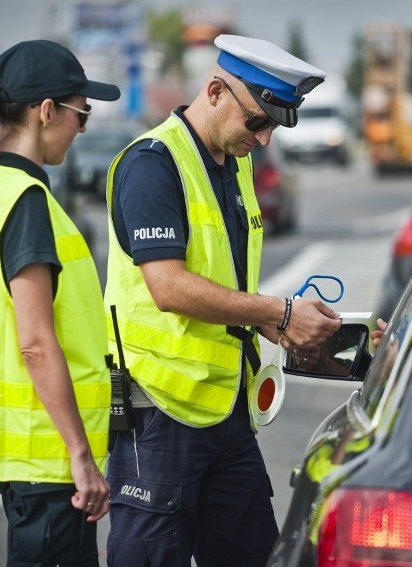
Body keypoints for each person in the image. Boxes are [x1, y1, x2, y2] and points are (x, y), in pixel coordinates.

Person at [102, 34, 341, 566]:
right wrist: (276, 313)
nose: (264, 139)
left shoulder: (236, 165)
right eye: (258, 122)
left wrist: (285, 328)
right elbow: (168, 286)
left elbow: (223, 284)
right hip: (160, 413)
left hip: (225, 409)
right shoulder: (153, 163)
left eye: (274, 128)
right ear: (214, 91)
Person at [0, 40, 120, 567]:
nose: (81, 128)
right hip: (45, 452)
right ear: (45, 112)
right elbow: (36, 342)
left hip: (18, 451)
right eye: (81, 115)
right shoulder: (27, 203)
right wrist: (81, 458)